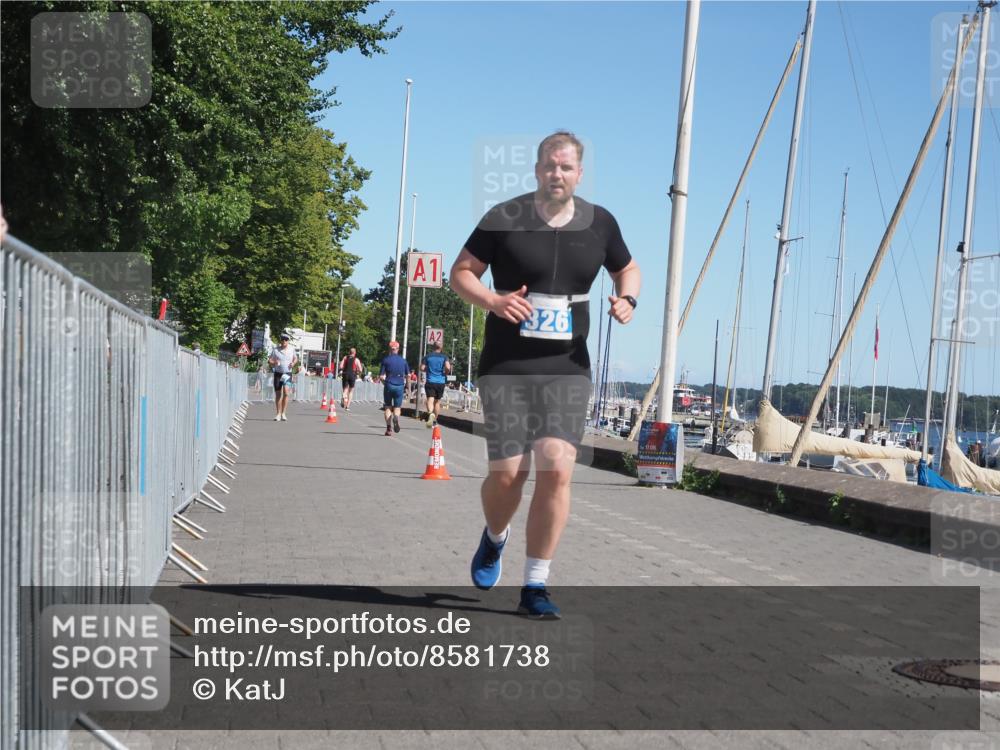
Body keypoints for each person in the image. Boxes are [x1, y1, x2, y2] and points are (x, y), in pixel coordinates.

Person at [450, 131, 641, 619]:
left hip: (567, 367)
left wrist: (627, 299)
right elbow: (462, 272)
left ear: (579, 174)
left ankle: (535, 585)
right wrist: (492, 300)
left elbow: (629, 269)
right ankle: (495, 538)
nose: (557, 174)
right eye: (549, 166)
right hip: (508, 365)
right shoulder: (504, 217)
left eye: (567, 168)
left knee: (557, 470)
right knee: (509, 475)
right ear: (537, 170)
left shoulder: (601, 223)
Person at [379, 341, 410, 436]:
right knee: (397, 407)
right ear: (398, 349)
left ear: (390, 349)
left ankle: (389, 428)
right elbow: (408, 375)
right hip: (400, 385)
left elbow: (381, 376)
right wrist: (407, 386)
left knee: (388, 406)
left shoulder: (386, 360)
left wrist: (385, 383)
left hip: (389, 383)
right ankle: (396, 417)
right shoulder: (403, 361)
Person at [421, 341, 452, 427]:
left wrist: (428, 370)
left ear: (433, 347)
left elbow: (422, 368)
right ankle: (434, 421)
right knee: (437, 402)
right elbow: (448, 367)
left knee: (430, 400)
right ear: (441, 347)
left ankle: (430, 413)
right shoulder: (444, 357)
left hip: (430, 381)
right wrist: (445, 373)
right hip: (441, 382)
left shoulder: (427, 356)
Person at [268, 332, 297, 421]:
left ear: (288, 341)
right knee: (278, 394)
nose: (284, 341)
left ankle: (283, 413)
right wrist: (274, 362)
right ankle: (278, 414)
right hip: (278, 373)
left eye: (286, 340)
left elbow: (295, 358)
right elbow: (269, 360)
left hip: (287, 373)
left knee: (286, 393)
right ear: (280, 341)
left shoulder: (292, 349)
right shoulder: (276, 350)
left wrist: (293, 363)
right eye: (282, 339)